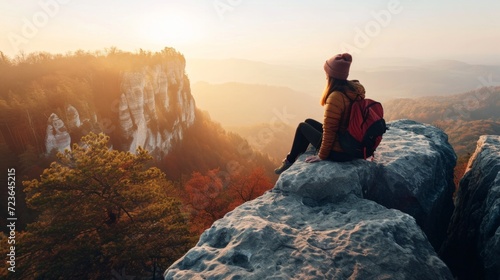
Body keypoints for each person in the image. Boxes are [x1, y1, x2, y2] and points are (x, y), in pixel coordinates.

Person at [274, 53, 366, 174]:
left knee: (302, 127)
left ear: (332, 74)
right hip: (350, 142)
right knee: (308, 122)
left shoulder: (335, 97)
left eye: (327, 72)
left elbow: (330, 130)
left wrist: (322, 155)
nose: (325, 75)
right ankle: (294, 156)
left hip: (340, 151)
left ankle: (290, 160)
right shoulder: (355, 90)